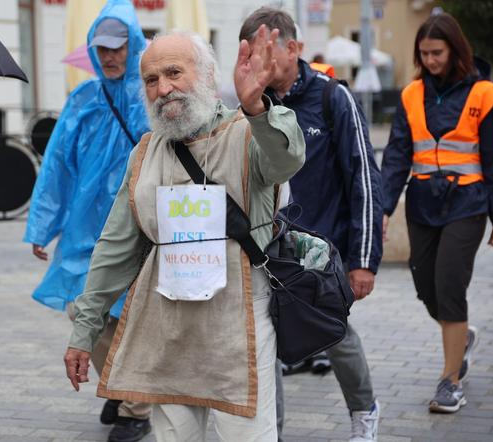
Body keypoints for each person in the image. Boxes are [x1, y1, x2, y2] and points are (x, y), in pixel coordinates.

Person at [64, 27, 305, 441]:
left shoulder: (248, 132)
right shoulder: (144, 153)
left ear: (208, 76)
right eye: (152, 80)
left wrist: (257, 108)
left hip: (238, 320)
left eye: (174, 72)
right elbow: (116, 248)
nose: (163, 89)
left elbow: (287, 160)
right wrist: (84, 331)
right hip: (167, 324)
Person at [239, 8, 383, 442]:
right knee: (266, 345)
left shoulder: (331, 98)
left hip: (323, 253)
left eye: (268, 53)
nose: (259, 65)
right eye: (250, 56)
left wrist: (363, 260)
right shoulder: (248, 105)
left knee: (335, 336)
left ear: (294, 48)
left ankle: (364, 411)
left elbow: (364, 179)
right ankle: (272, 432)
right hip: (267, 250)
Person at [23, 1, 152, 440]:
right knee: (85, 310)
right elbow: (57, 164)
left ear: (133, 45)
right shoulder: (82, 99)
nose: (109, 57)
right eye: (102, 49)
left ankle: (135, 408)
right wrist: (43, 226)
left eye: (117, 48)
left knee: (131, 316)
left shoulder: (150, 96)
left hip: (138, 229)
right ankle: (120, 386)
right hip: (84, 230)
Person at [381, 12, 493, 413]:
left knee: (449, 285)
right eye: (424, 53)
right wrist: (383, 209)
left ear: (454, 49)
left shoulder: (484, 94)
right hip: (422, 204)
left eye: (437, 52)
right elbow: (397, 155)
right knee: (426, 289)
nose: (431, 60)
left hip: (467, 204)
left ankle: (450, 381)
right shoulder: (411, 95)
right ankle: (461, 336)